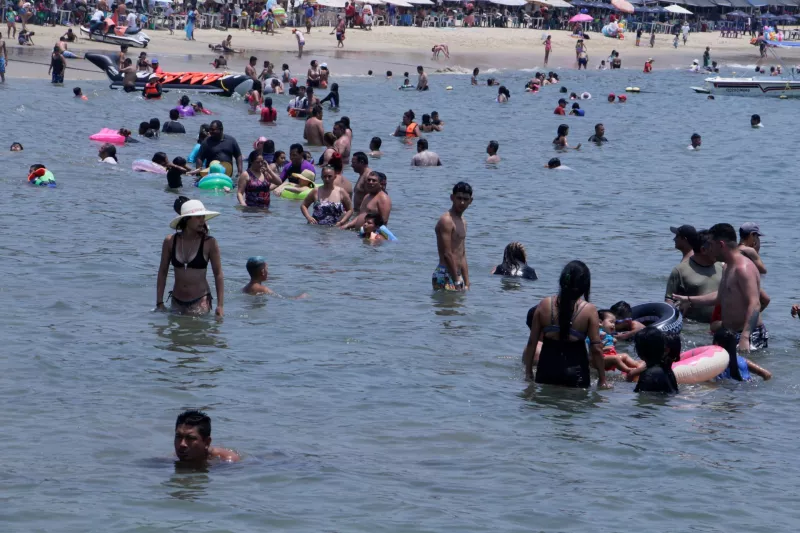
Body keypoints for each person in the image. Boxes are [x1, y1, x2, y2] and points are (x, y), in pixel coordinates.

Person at [672, 224, 766, 352]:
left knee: (747, 365)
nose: (708, 249)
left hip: (748, 334)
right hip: (729, 333)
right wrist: (689, 299)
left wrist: (745, 337)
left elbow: (755, 304)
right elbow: (719, 297)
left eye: (711, 245)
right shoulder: (727, 266)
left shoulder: (743, 268)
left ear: (721, 245)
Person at [523, 260, 607, 388]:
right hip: (576, 376)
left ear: (562, 281)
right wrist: (602, 379)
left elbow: (532, 342)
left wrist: (528, 373)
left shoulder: (544, 304)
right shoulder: (589, 310)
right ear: (585, 285)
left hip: (546, 372)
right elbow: (596, 348)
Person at [156, 198, 224, 317]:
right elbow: (162, 272)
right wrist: (159, 302)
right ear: (186, 219)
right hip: (176, 301)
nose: (202, 221)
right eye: (198, 217)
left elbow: (218, 274)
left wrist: (220, 306)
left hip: (200, 301)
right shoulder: (170, 241)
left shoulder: (209, 243)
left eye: (203, 217)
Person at [665, 228, 721, 323]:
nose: (718, 250)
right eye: (714, 247)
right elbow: (669, 303)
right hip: (691, 327)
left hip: (717, 326)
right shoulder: (679, 271)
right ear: (703, 250)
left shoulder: (722, 267)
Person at [432, 182, 472, 291]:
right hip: (444, 274)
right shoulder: (446, 220)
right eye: (459, 198)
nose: (462, 202)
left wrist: (467, 282)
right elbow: (447, 253)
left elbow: (462, 254)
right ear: (452, 198)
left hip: (456, 275)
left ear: (470, 201)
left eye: (465, 199)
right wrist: (457, 280)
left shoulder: (463, 222)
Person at [174, 410, 240, 464]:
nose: (182, 444)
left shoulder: (228, 462)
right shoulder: (175, 457)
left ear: (207, 442)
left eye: (190, 438)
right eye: (178, 436)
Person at [593, 309, 645, 374]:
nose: (613, 325)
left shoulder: (607, 335)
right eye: (611, 322)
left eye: (614, 323)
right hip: (598, 359)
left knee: (625, 355)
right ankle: (629, 370)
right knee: (616, 358)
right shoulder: (596, 334)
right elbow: (593, 350)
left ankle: (636, 365)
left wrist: (613, 342)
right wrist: (604, 348)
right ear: (600, 322)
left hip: (608, 357)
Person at [631, 327, 678, 393]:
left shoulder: (649, 374)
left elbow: (644, 397)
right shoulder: (667, 370)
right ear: (663, 349)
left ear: (639, 352)